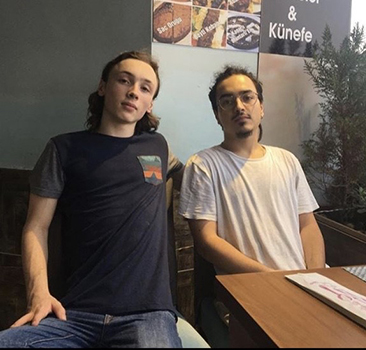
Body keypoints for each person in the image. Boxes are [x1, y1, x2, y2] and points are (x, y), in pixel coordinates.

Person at [0, 50, 184, 348]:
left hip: (147, 315)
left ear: (150, 103)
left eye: (145, 88)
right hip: (73, 316)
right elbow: (36, 226)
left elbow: (201, 181)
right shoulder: (64, 149)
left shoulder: (158, 147)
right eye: (125, 80)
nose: (134, 92)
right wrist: (39, 295)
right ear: (103, 87)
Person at [178, 65, 326, 340]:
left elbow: (308, 226)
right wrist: (272, 279)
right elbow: (206, 242)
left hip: (303, 285)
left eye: (247, 97)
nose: (239, 106)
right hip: (247, 293)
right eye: (227, 100)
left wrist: (314, 279)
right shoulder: (203, 165)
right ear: (217, 115)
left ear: (261, 108)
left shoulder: (287, 160)